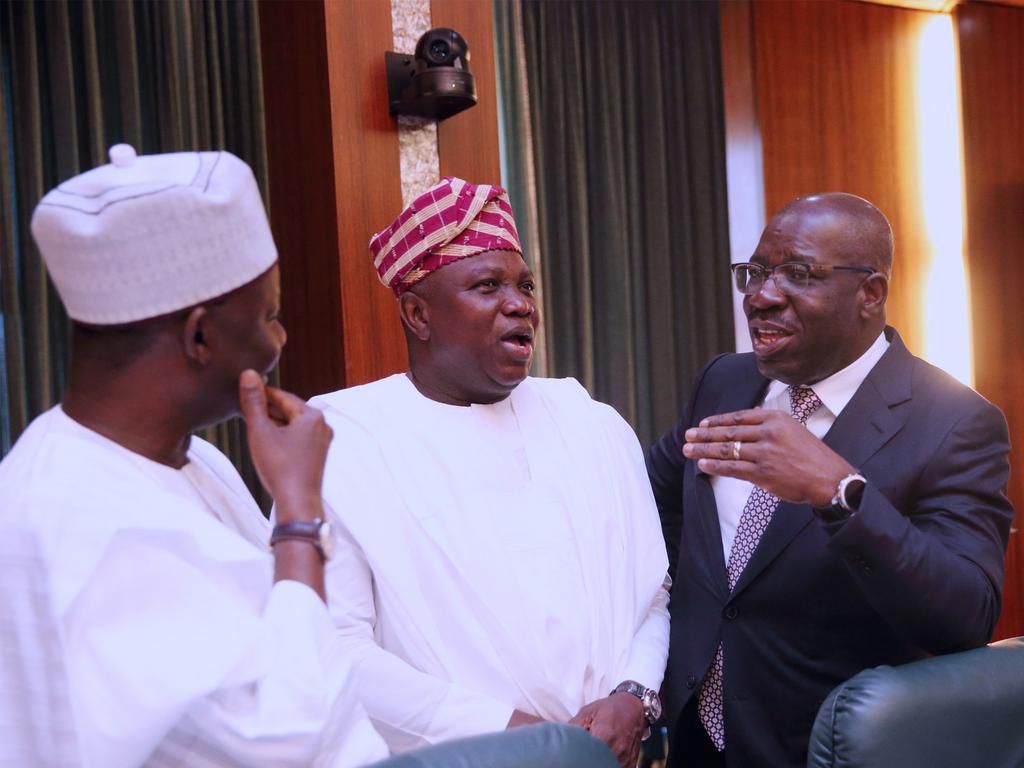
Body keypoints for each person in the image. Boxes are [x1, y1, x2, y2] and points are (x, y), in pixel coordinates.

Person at [0, 145, 389, 767]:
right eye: (270, 315)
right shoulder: (81, 523)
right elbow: (284, 745)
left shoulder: (196, 460)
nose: (279, 340)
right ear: (200, 335)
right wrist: (297, 516)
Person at [308, 177, 671, 768]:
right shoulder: (343, 437)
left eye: (525, 285)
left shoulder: (590, 421)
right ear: (417, 314)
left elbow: (652, 597)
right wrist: (511, 735)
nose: (520, 303)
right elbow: (331, 646)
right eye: (487, 286)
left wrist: (634, 696)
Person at [647, 192, 1013, 767]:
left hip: (828, 750)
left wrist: (838, 493)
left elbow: (965, 616)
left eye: (798, 274)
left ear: (870, 294)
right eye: (757, 272)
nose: (761, 297)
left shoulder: (954, 422)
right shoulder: (722, 382)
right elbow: (653, 507)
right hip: (696, 740)